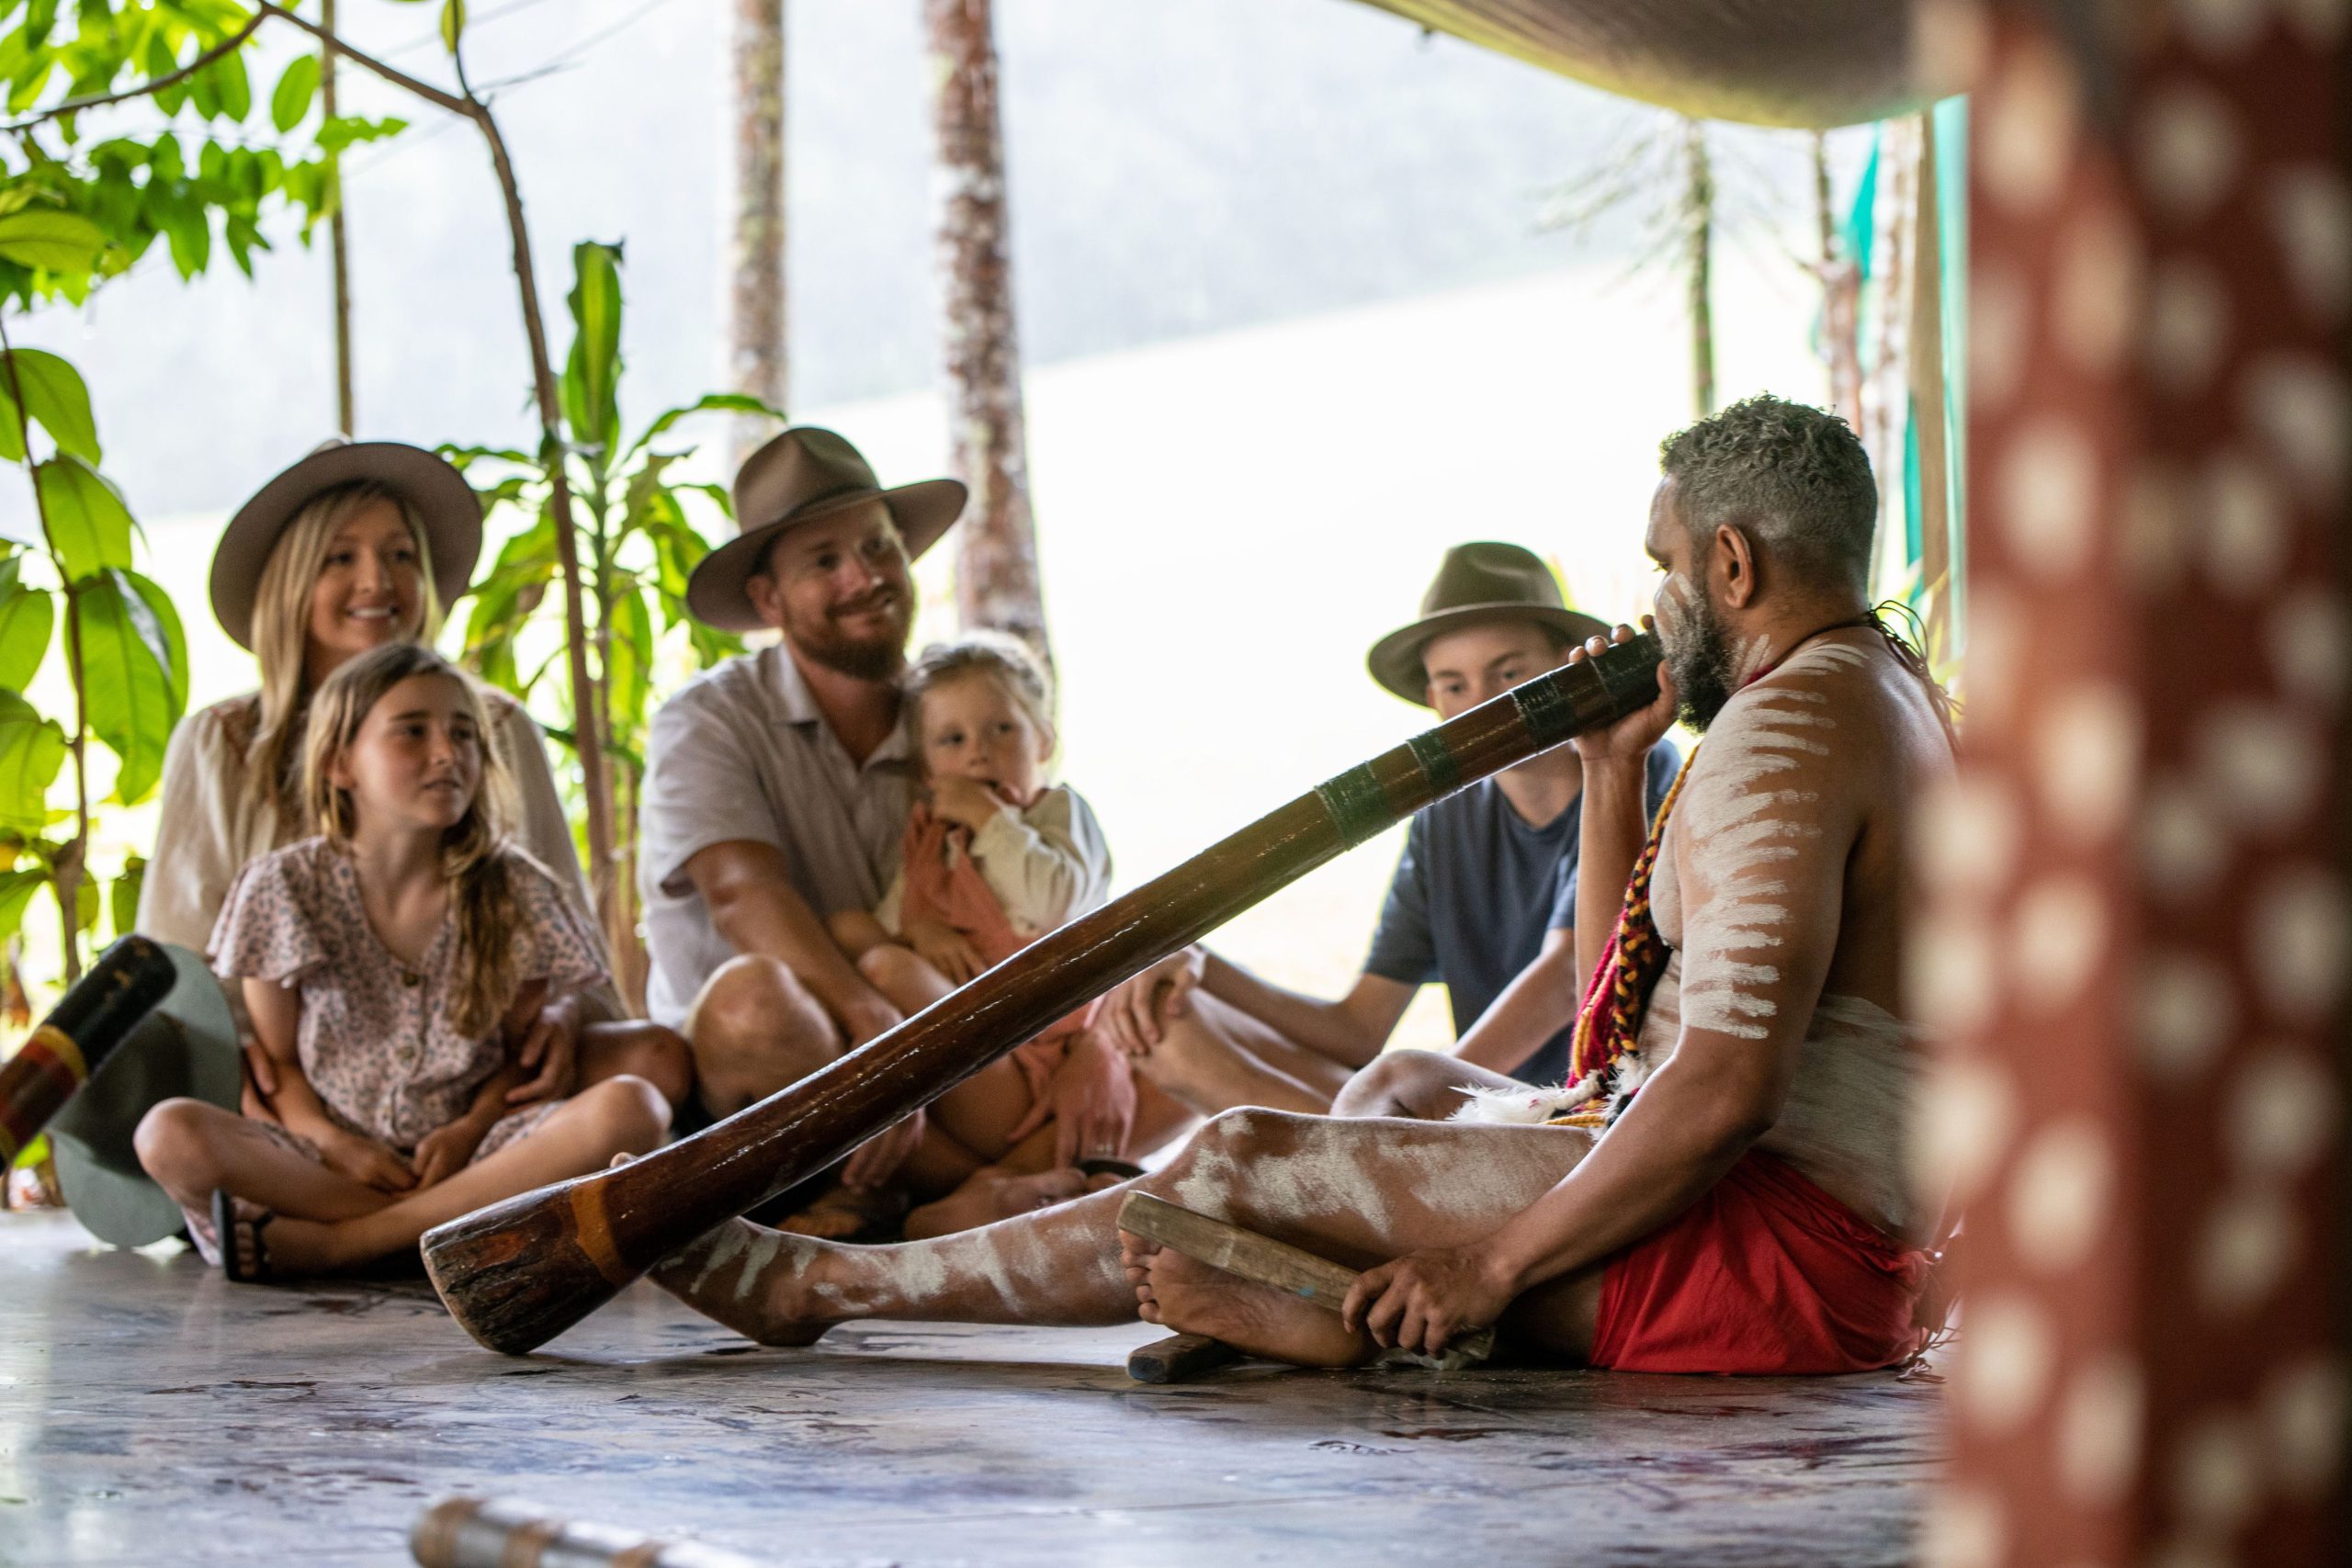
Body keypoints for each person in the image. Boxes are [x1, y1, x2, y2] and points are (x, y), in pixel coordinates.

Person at [650, 393, 1956, 1378]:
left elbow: (1725, 1089)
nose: (1657, 602)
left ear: (1732, 565)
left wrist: (1487, 1263)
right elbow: (1615, 1020)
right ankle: (1312, 1308)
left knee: (1239, 1159)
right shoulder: (1871, 691)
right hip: (1771, 1220)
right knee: (1401, 1083)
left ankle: (827, 1288)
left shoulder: (1785, 734)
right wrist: (1611, 768)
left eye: (1666, 566)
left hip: (1769, 1255)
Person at [139, 439, 687, 1113]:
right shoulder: (222, 742)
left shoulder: (496, 728)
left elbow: (568, 944)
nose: (377, 581)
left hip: (487, 1080)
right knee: (181, 1124)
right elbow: (180, 967)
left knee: (652, 1061)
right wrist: (257, 1063)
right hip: (294, 1089)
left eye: (401, 556)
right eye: (341, 558)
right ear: (290, 584)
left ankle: (448, 1176)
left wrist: (562, 1015)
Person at [133, 645, 675, 1280]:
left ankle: (348, 1243)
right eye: (412, 731)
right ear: (339, 763)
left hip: (479, 1155)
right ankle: (455, 1232)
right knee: (168, 1134)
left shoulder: (518, 890)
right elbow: (281, 1066)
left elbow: (517, 1062)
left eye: (464, 734)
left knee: (635, 1107)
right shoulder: (281, 887)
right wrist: (334, 1143)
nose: (447, 753)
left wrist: (469, 1131)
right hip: (326, 1160)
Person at [1095, 543, 1676, 1116]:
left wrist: (1421, 1096)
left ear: (1564, 670)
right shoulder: (1445, 818)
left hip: (1579, 1106)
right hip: (1460, 1104)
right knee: (1169, 1025)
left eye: (1510, 673)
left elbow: (1571, 979)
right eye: (1456, 686)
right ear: (1433, 701)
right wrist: (1196, 957)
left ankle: (1375, 1144)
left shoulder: (1632, 763)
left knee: (1394, 1086)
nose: (1487, 705)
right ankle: (1367, 1146)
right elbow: (1359, 1028)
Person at [826, 634, 1193, 1236]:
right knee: (881, 960)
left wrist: (989, 817)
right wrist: (921, 931)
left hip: (1065, 1048)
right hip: (986, 1068)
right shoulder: (931, 844)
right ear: (926, 771)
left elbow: (1055, 900)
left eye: (1002, 730)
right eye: (953, 740)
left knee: (1183, 1026)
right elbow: (881, 927)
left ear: (1043, 741)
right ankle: (1002, 1184)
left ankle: (985, 1192)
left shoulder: (1060, 815)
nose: (980, 754)